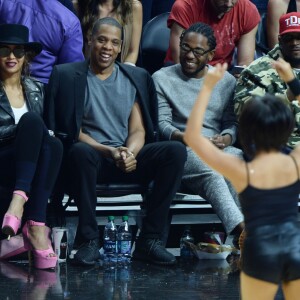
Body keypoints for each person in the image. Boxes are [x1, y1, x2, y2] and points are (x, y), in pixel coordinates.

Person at [44, 17, 187, 266]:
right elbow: (70, 131)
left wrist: (129, 153)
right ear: (90, 41)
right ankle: (88, 240)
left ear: (121, 47)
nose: (107, 47)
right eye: (101, 40)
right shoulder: (67, 75)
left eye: (114, 42)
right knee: (79, 152)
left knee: (174, 151)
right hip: (91, 160)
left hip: (125, 159)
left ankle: (150, 241)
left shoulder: (135, 77)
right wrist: (109, 152)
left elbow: (138, 129)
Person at [184, 60, 300, 299]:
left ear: (246, 131)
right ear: (288, 128)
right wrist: (292, 81)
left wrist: (207, 87)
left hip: (261, 252)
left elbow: (192, 137)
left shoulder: (241, 169)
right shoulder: (294, 162)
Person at [153, 22, 244, 243]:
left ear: (211, 54)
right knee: (210, 171)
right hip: (182, 149)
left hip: (217, 146)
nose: (189, 55)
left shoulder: (226, 81)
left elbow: (232, 122)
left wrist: (227, 137)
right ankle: (243, 233)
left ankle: (247, 238)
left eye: (198, 51)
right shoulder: (162, 78)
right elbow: (163, 125)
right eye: (185, 47)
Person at [0, 24, 63, 269]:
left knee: (55, 144)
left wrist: (33, 133)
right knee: (32, 122)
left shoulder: (38, 90)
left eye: (18, 51)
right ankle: (20, 206)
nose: (11, 56)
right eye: (4, 50)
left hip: (27, 166)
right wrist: (24, 131)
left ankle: (34, 224)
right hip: (3, 159)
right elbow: (32, 127)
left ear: (27, 56)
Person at [234, 12, 300, 149]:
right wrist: (286, 97)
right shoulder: (256, 71)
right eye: (289, 38)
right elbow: (247, 118)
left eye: (299, 38)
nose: (295, 43)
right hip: (277, 146)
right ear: (280, 40)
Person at [0, 0, 84, 84]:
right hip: (43, 89)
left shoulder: (5, 3)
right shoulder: (69, 21)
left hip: (6, 82)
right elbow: (73, 75)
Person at [164, 0, 260, 68]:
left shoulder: (248, 11)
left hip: (220, 73)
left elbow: (245, 63)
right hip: (184, 68)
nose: (228, 4)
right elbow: (179, 59)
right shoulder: (185, 6)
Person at [77, 0, 142, 65]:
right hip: (90, 68)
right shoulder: (83, 5)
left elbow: (133, 51)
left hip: (122, 68)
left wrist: (124, 72)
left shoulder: (133, 6)